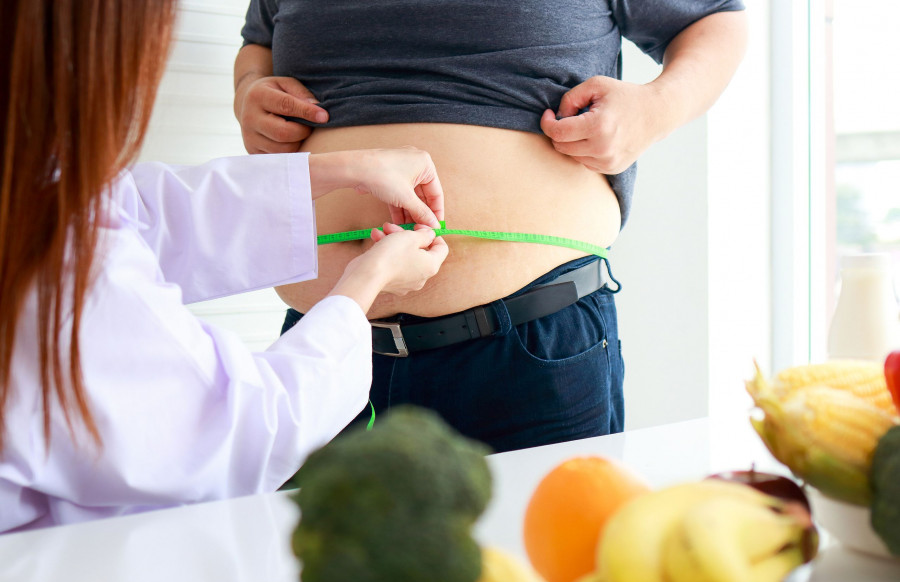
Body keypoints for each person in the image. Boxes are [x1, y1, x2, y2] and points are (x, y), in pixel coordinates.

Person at [0, 0, 448, 534]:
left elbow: (133, 212)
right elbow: (242, 432)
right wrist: (364, 286)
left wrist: (336, 170)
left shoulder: (28, 177)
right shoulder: (52, 267)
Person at [235, 1, 748, 453]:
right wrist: (250, 91)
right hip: (322, 351)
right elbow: (258, 42)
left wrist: (657, 108)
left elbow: (714, 18)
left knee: (541, 561)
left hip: (528, 348)